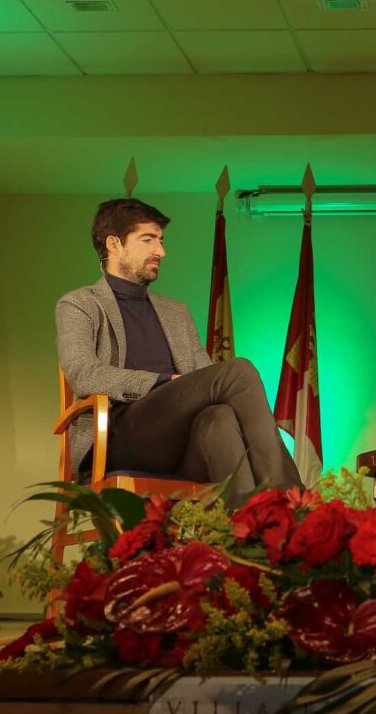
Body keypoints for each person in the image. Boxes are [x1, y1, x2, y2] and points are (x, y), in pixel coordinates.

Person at [56, 198, 302, 507]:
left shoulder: (176, 313)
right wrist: (164, 381)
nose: (161, 251)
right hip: (119, 437)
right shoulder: (80, 304)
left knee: (220, 417)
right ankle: (292, 502)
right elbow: (84, 374)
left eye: (161, 241)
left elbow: (208, 380)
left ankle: (251, 523)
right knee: (238, 370)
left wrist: (183, 386)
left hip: (180, 445)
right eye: (148, 240)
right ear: (114, 244)